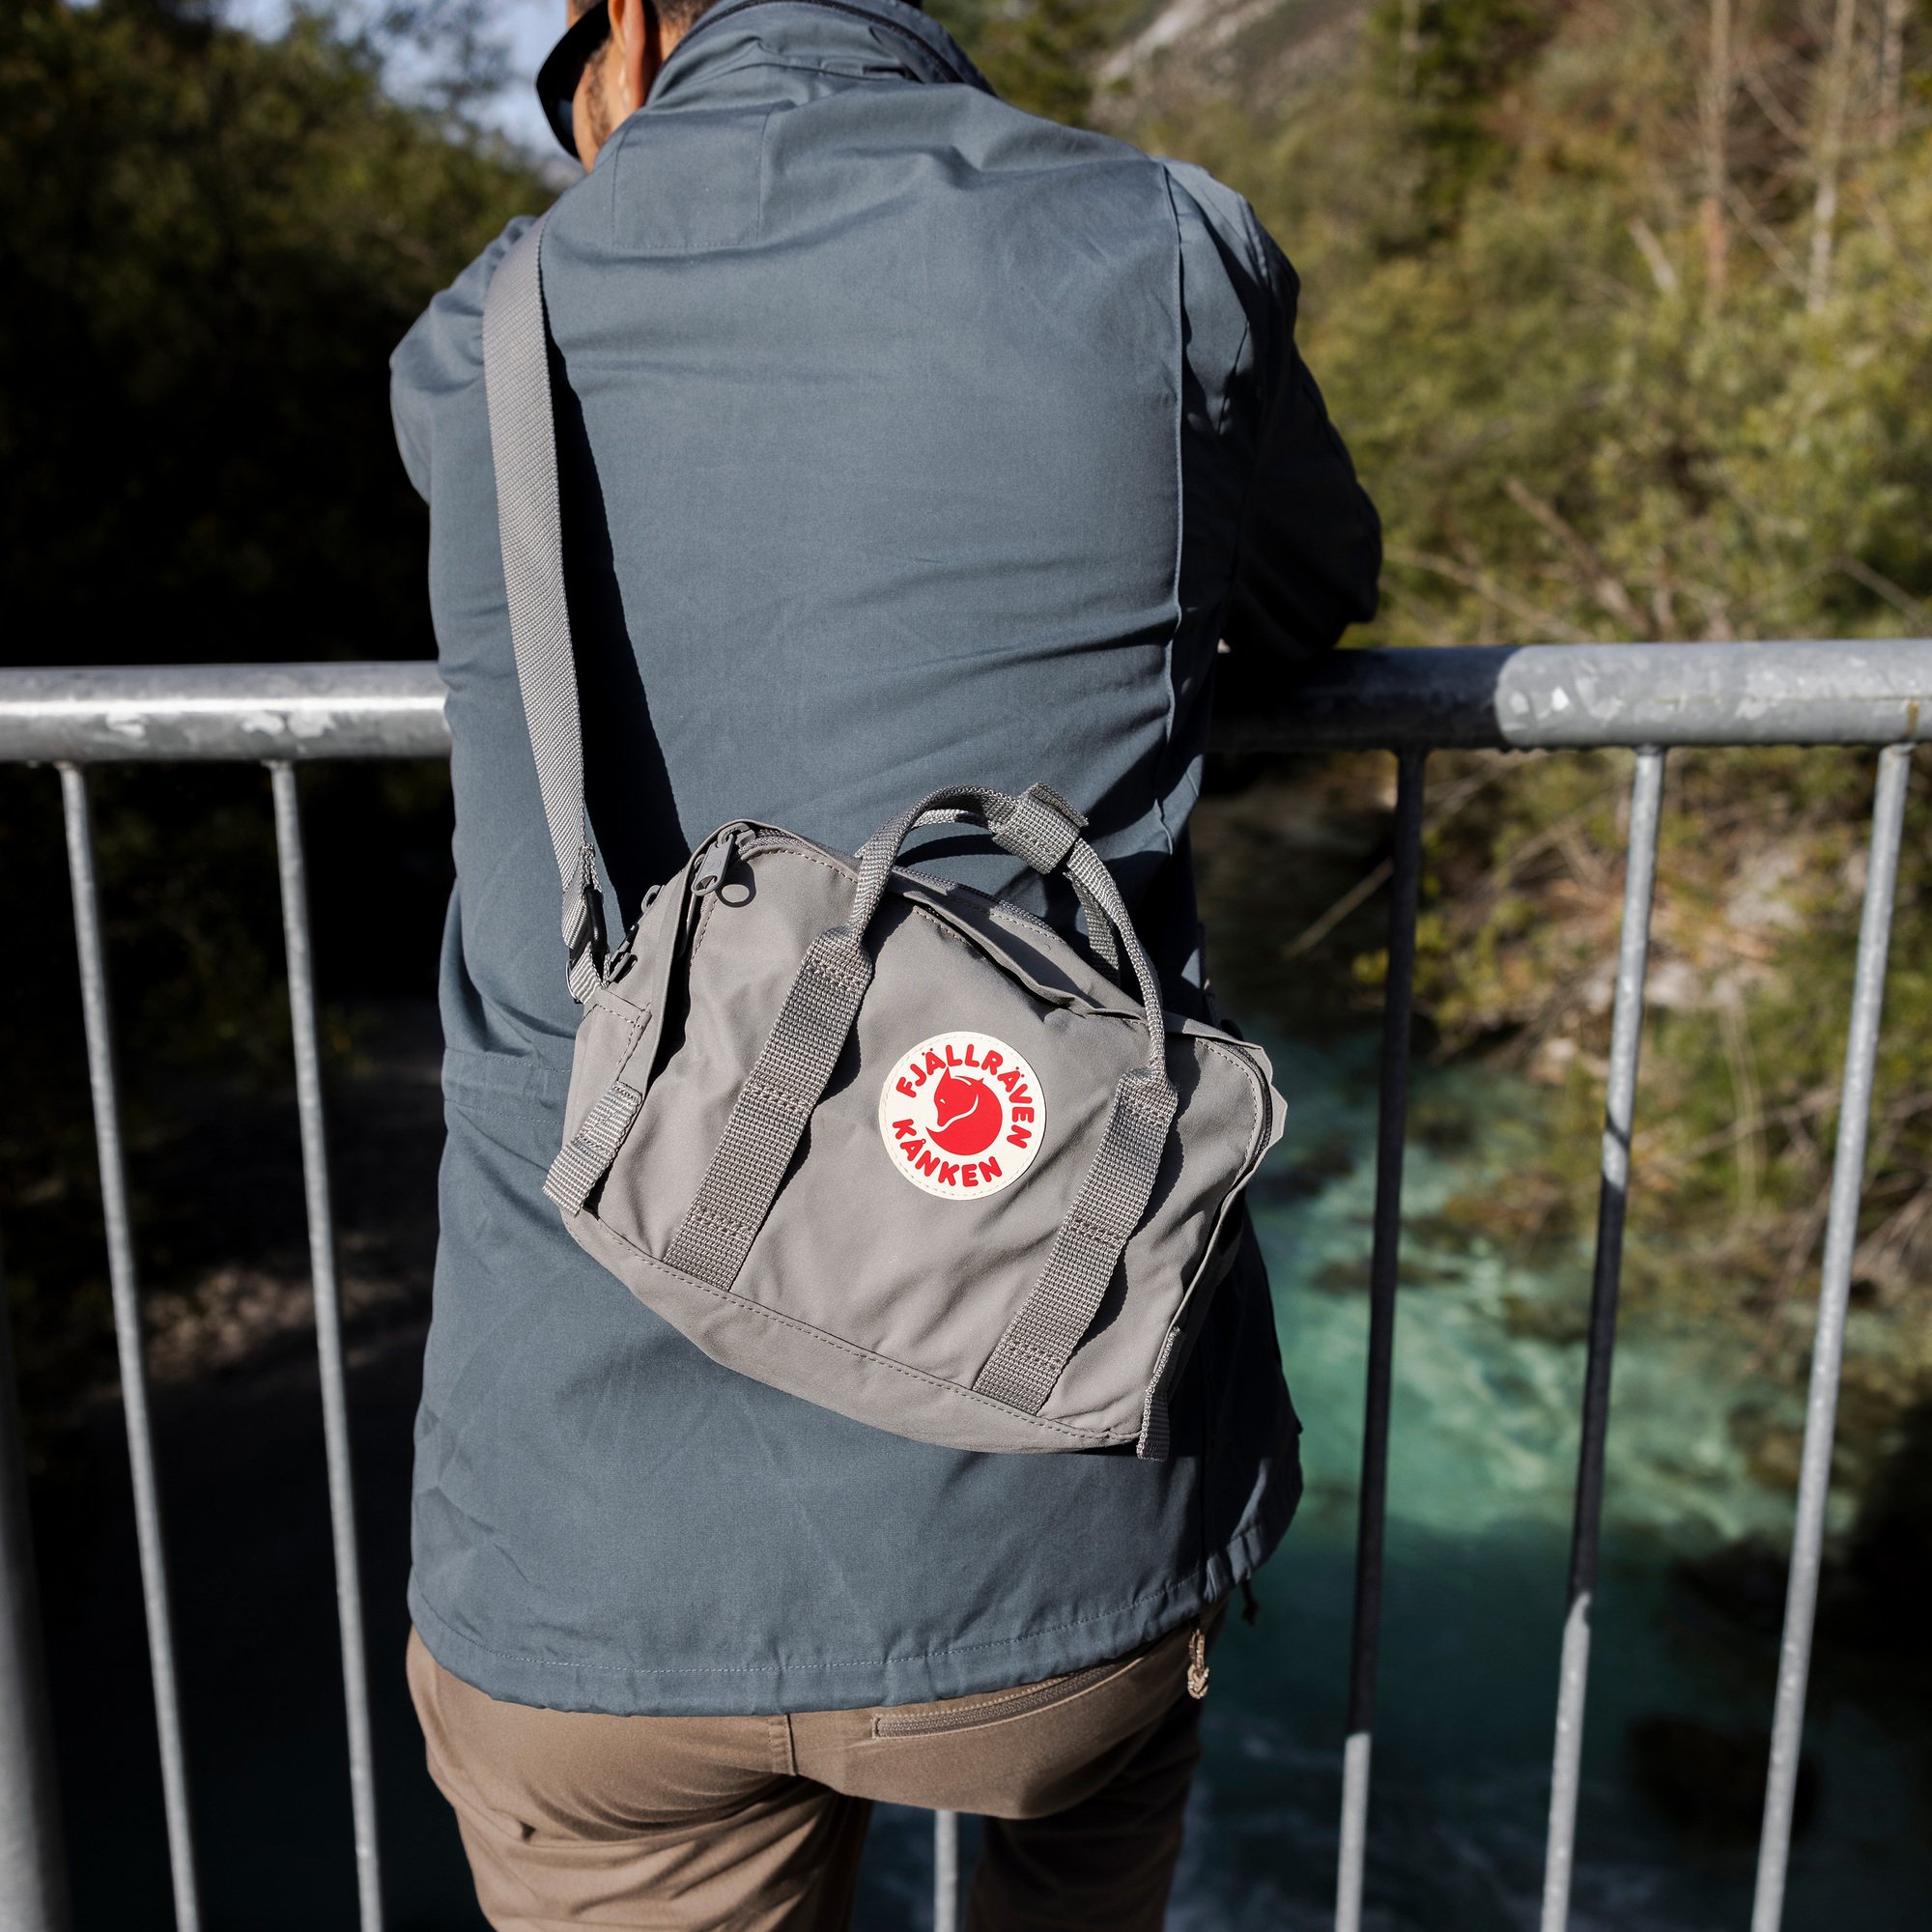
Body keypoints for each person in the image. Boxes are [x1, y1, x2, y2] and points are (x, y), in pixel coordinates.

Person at [389, 0, 1380, 1924]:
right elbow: (1307, 590)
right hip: (1065, 1498)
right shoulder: (1162, 244)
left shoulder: (485, 332)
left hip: (590, 1545)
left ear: (632, 26)